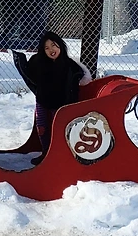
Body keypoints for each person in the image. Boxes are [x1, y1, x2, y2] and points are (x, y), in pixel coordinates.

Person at [12, 31, 92, 162]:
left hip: (62, 104)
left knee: (59, 128)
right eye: (47, 48)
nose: (51, 50)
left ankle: (59, 155)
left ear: (60, 45)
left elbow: (83, 78)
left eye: (53, 45)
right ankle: (46, 153)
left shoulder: (69, 64)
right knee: (42, 127)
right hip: (43, 101)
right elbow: (30, 76)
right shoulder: (39, 62)